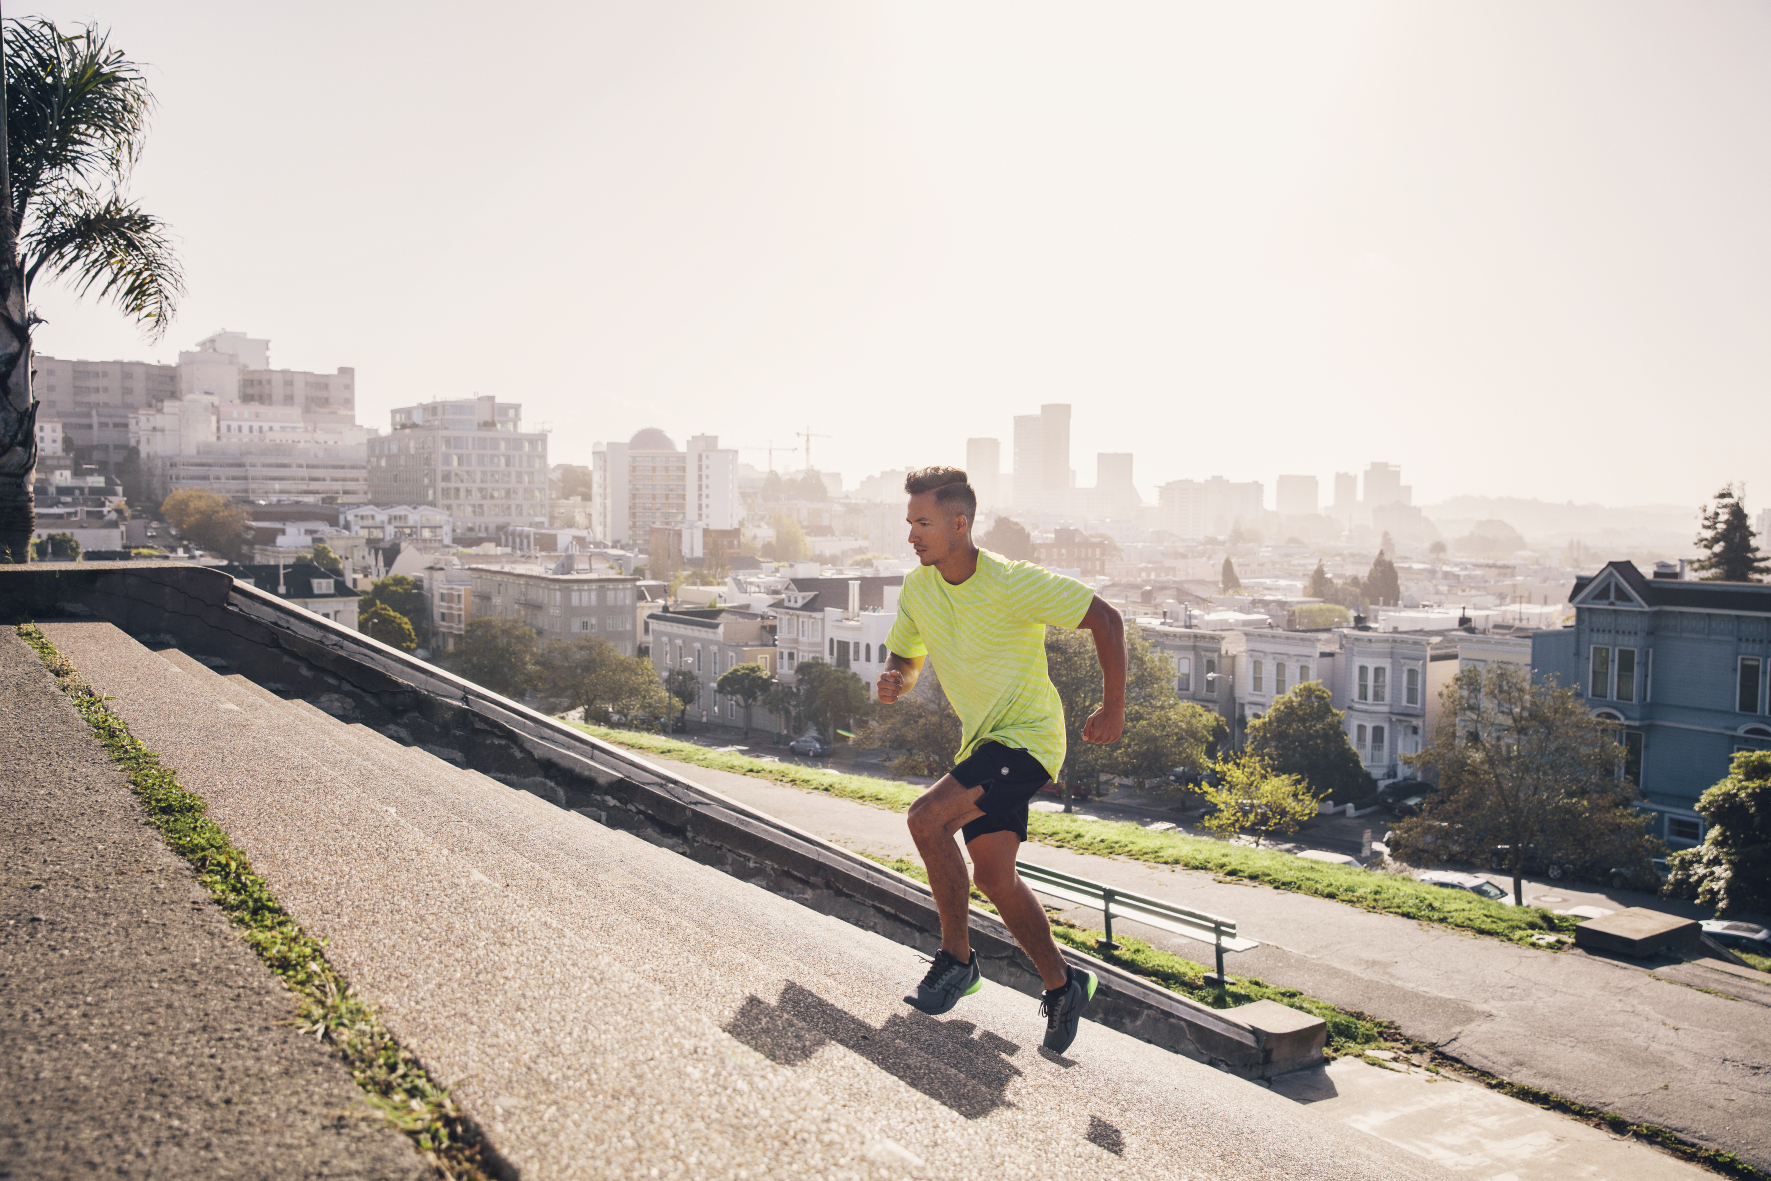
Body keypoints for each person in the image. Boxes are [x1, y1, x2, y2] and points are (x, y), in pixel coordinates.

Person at [877, 466, 1125, 1054]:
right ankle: (1065, 985)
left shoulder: (1012, 582)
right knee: (992, 875)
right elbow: (906, 656)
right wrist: (897, 679)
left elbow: (1106, 618)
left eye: (924, 523)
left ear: (960, 524)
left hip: (1029, 740)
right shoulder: (920, 588)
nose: (912, 535)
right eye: (909, 522)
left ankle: (957, 961)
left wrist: (1113, 708)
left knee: (926, 818)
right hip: (984, 743)